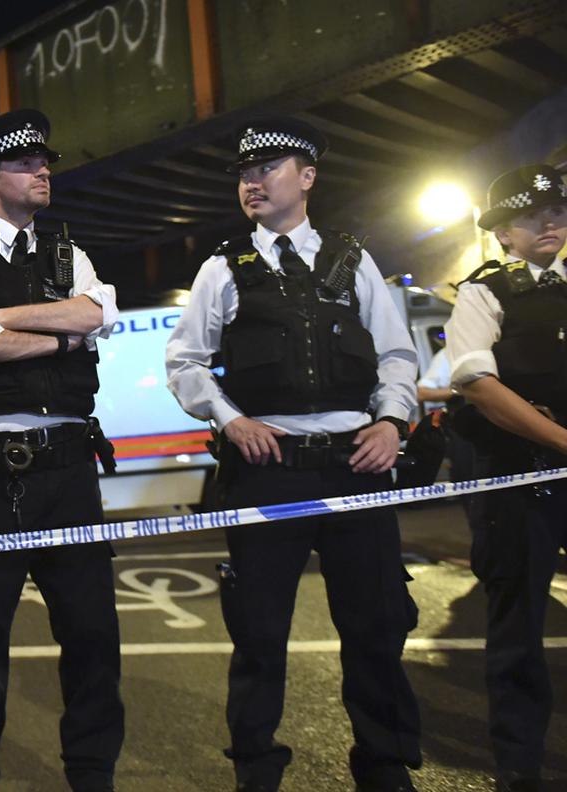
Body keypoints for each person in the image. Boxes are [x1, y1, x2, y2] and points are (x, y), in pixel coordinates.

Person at [165, 116, 422, 792]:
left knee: (377, 625)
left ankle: (385, 762)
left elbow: (397, 356)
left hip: (355, 462)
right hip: (267, 466)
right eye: (245, 173)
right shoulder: (223, 266)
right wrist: (230, 419)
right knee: (258, 632)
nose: (251, 181)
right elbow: (185, 363)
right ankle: (256, 768)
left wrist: (393, 421)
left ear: (307, 177)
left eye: (267, 169)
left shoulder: (353, 259)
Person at [0, 109, 123, 792]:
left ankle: (92, 775)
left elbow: (99, 314)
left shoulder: (71, 250)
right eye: (25, 164)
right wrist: (60, 331)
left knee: (93, 636)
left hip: (69, 468)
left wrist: (9, 318)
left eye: (45, 162)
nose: (43, 171)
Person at [444, 164, 567, 792]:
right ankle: (518, 762)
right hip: (521, 477)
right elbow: (479, 386)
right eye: (529, 215)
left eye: (556, 211)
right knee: (517, 625)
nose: (548, 223)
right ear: (502, 234)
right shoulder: (485, 292)